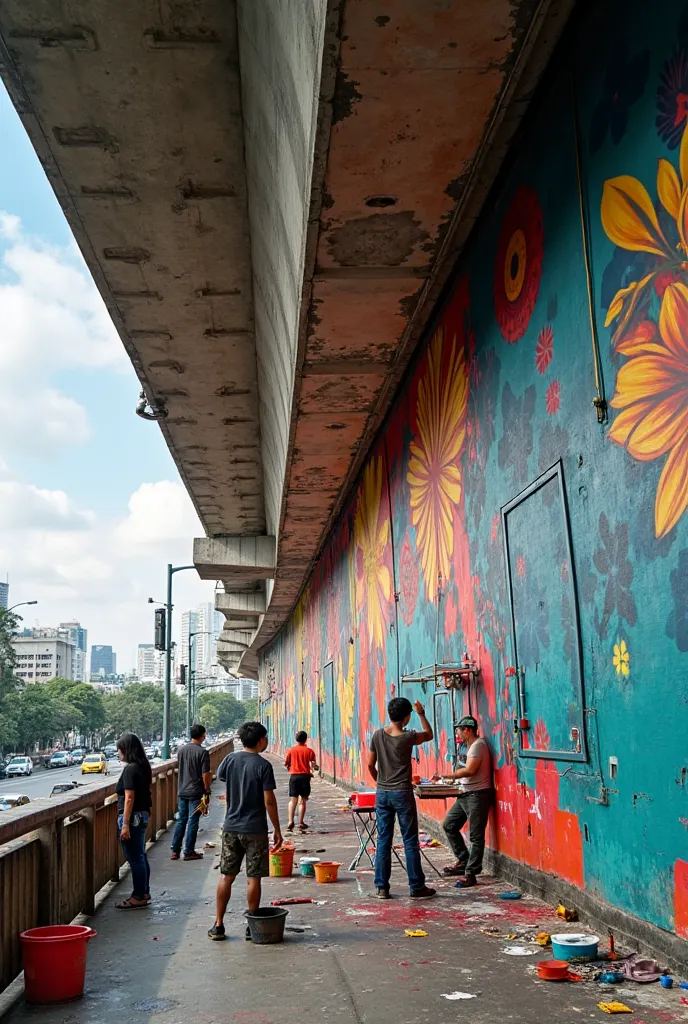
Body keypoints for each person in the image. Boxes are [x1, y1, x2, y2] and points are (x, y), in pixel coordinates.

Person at [208, 721, 283, 941]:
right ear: (260, 740)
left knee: (226, 877)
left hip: (231, 827)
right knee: (253, 879)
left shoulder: (230, 760)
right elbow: (269, 800)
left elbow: (226, 786)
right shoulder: (263, 765)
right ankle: (252, 926)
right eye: (266, 737)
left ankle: (218, 925)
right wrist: (277, 829)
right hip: (255, 829)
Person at [368, 697, 436, 900]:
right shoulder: (408, 737)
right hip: (403, 793)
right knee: (409, 841)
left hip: (383, 793)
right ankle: (416, 887)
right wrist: (422, 713)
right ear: (406, 718)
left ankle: (382, 887)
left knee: (383, 840)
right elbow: (430, 735)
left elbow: (371, 765)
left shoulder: (377, 735)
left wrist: (380, 783)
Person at [435, 715, 493, 888]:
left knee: (476, 836)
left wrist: (448, 776)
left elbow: (470, 770)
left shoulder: (478, 746)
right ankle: (463, 860)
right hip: (465, 793)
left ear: (467, 729)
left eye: (460, 730)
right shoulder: (467, 746)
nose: (458, 734)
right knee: (449, 824)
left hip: (477, 795)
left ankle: (471, 873)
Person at [115, 732, 153, 909]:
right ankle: (143, 892)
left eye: (120, 749)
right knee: (140, 855)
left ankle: (138, 896)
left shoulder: (130, 769)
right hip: (143, 815)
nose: (118, 752)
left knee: (135, 858)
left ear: (125, 750)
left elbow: (129, 797)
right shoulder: (143, 765)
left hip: (133, 818)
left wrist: (125, 824)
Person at [171, 723, 212, 861]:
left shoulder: (181, 750)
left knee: (181, 821)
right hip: (196, 791)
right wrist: (207, 790)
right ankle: (188, 851)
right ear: (202, 736)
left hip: (182, 790)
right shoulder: (203, 752)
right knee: (193, 821)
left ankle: (175, 850)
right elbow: (205, 774)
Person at [284, 730, 318, 832]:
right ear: (306, 739)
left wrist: (291, 768)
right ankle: (301, 822)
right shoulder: (310, 751)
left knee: (293, 800)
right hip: (305, 777)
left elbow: (286, 763)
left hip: (294, 777)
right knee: (303, 801)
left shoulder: (291, 750)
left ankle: (290, 821)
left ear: (296, 739)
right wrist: (314, 768)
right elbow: (314, 765)